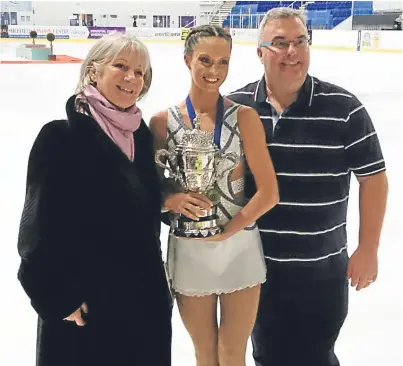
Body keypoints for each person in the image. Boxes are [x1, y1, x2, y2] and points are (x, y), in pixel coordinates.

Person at [227, 7, 389, 366]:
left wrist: (368, 248)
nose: (292, 52)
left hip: (322, 272)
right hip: (257, 270)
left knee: (316, 357)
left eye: (300, 42)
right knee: (267, 356)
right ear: (260, 53)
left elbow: (373, 178)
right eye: (280, 43)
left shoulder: (344, 109)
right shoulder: (236, 109)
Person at [16, 32, 172, 366]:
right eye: (121, 66)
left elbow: (145, 211)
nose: (132, 78)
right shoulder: (60, 138)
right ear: (93, 71)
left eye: (140, 72)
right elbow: (34, 233)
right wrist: (58, 298)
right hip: (85, 308)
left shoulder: (142, 138)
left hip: (144, 308)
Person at [150, 25, 279, 366]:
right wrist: (170, 200)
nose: (214, 71)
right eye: (205, 60)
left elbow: (269, 192)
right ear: (187, 59)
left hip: (240, 248)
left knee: (232, 352)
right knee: (205, 353)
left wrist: (233, 228)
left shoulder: (245, 118)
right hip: (189, 248)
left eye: (223, 62)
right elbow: (150, 186)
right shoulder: (162, 122)